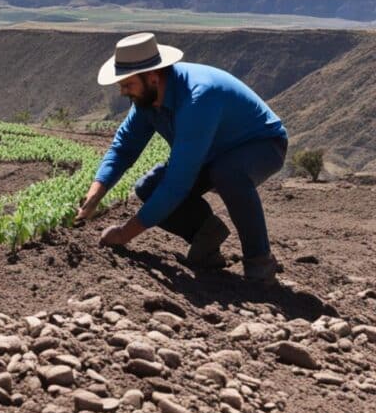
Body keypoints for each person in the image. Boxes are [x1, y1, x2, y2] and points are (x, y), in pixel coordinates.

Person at [77, 33, 288, 285]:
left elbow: (177, 184)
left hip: (262, 145)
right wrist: (94, 196)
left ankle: (259, 262)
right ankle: (206, 236)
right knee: (148, 187)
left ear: (152, 77)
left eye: (128, 85)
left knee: (227, 173)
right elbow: (124, 148)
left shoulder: (198, 98)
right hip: (210, 153)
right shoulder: (148, 99)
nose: (123, 92)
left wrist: (124, 234)